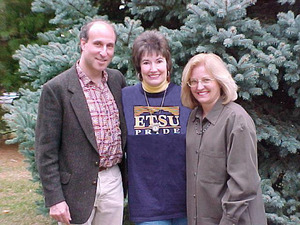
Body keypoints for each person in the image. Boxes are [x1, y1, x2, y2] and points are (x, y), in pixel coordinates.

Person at [35, 19, 127, 225]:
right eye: (98, 44)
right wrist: (55, 199)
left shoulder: (116, 80)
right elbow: (45, 150)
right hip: (75, 188)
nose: (104, 52)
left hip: (113, 180)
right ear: (83, 43)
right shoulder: (57, 89)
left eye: (109, 46)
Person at [181, 53, 267, 225]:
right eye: (194, 81)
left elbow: (244, 185)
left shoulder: (236, 120)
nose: (200, 87)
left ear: (220, 81)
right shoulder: (193, 118)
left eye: (206, 80)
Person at [122, 30, 190, 225]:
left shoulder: (185, 98)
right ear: (138, 67)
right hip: (147, 206)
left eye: (159, 61)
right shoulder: (125, 98)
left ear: (167, 64)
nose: (153, 69)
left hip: (185, 202)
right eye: (146, 62)